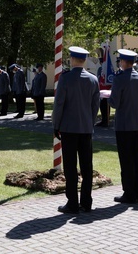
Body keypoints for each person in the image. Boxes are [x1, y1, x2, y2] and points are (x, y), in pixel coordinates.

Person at [52, 46, 100, 214]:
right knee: (87, 167)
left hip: (69, 128)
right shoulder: (93, 80)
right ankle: (86, 202)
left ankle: (72, 203)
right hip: (86, 128)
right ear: (84, 60)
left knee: (70, 167)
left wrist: (55, 125)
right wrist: (90, 122)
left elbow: (59, 104)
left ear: (72, 59)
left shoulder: (65, 78)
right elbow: (95, 107)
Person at [109, 49, 138, 203]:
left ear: (124, 62)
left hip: (124, 124)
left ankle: (129, 193)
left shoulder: (120, 79)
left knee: (126, 160)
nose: (119, 63)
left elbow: (114, 103)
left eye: (120, 61)